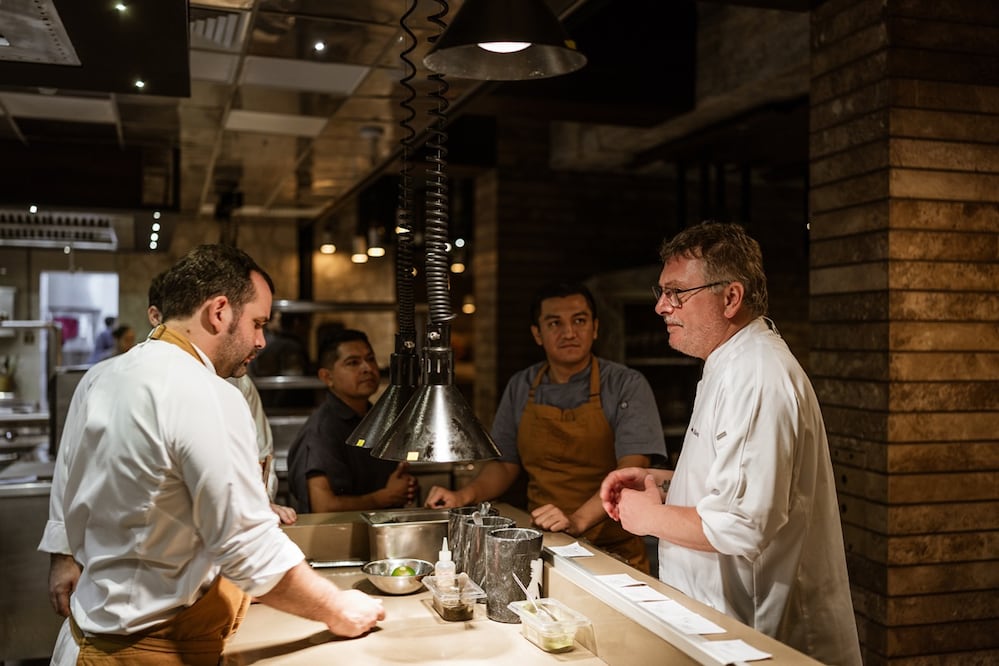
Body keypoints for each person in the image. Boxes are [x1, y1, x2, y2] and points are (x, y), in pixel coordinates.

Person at [38, 244, 384, 664]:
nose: (260, 341)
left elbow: (67, 475)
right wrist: (340, 608)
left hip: (86, 635)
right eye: (257, 324)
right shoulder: (206, 391)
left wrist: (62, 555)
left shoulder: (102, 375)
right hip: (144, 650)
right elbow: (248, 547)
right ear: (219, 311)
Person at [599, 222, 862, 665]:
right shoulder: (726, 363)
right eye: (661, 291)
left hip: (759, 637)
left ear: (731, 297)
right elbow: (736, 481)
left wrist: (648, 516)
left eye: (677, 292)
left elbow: (740, 524)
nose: (661, 306)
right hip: (719, 624)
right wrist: (663, 482)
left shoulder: (756, 374)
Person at [425, 281, 667, 573]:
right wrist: (461, 497)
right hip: (543, 544)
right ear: (537, 334)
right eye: (555, 323)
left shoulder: (626, 385)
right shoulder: (521, 385)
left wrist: (576, 521)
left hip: (614, 552)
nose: (568, 333)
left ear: (595, 328)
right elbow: (504, 465)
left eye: (579, 320)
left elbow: (631, 473)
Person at [145, 271, 296, 524]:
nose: (260, 342)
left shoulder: (236, 385)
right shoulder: (117, 380)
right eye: (256, 324)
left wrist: (258, 505)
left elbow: (260, 457)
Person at [286, 329, 416, 512]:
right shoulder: (322, 430)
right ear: (327, 377)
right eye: (353, 363)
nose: (367, 368)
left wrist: (403, 485)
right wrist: (383, 498)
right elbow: (322, 506)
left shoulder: (379, 419)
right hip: (336, 538)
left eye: (370, 359)